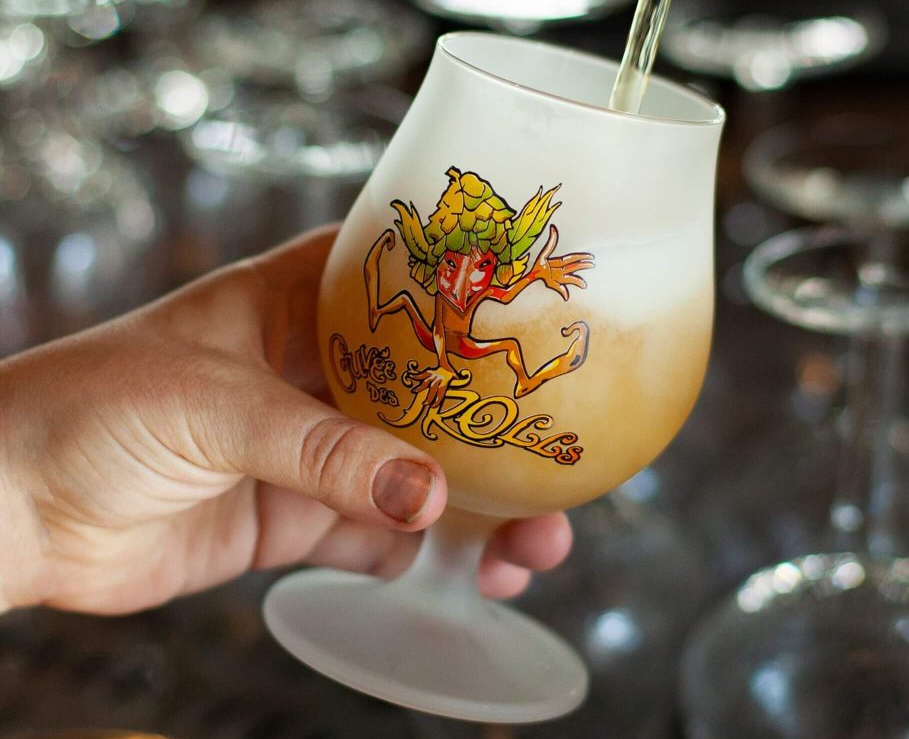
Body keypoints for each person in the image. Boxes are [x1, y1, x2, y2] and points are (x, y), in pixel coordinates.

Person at [0, 226, 572, 616]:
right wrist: (27, 497)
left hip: (454, 355)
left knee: (500, 356)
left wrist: (36, 516)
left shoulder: (478, 288)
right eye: (453, 264)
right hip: (432, 351)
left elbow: (510, 286)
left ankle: (534, 375)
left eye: (471, 268)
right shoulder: (446, 281)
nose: (459, 274)